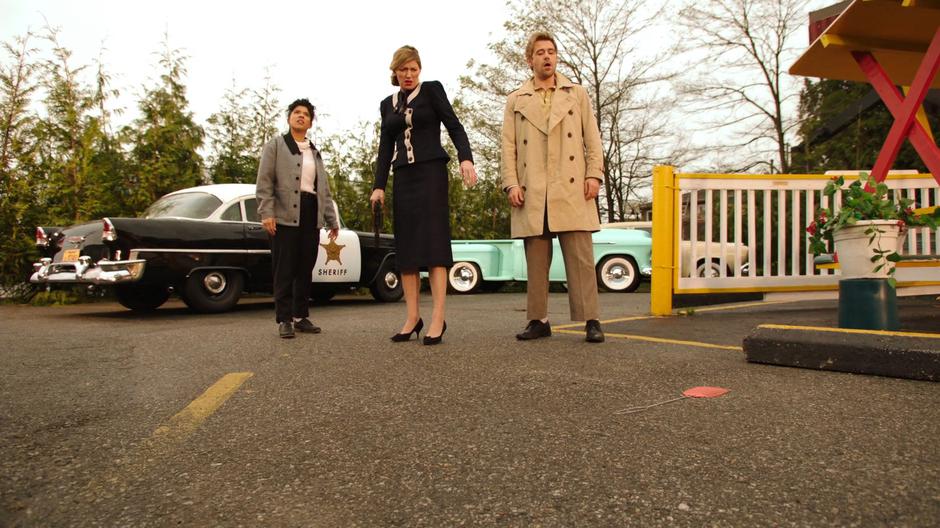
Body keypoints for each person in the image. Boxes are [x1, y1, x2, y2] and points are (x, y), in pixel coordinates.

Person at [500, 32, 605, 343]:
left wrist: (594, 175)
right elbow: (507, 146)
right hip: (533, 188)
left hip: (571, 184)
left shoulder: (577, 93)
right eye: (540, 52)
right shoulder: (516, 99)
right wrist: (511, 183)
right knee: (536, 259)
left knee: (581, 258)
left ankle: (591, 320)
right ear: (529, 59)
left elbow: (593, 139)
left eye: (552, 51)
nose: (547, 57)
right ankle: (539, 320)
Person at [370, 45, 477, 346]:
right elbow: (384, 149)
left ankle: (437, 319)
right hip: (403, 176)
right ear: (395, 71)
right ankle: (412, 317)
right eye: (403, 69)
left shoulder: (432, 91)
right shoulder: (386, 104)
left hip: (431, 174)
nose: (408, 74)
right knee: (406, 249)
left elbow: (455, 126)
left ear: (420, 70)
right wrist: (379, 185)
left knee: (433, 245)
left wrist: (465, 158)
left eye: (413, 68)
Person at [257, 98, 340, 338]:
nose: (300, 116)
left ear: (311, 122)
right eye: (296, 112)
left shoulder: (315, 152)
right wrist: (267, 213)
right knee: (285, 268)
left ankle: (300, 316)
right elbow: (264, 182)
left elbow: (323, 189)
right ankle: (284, 319)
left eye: (305, 114)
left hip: (310, 213)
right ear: (289, 118)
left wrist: (331, 220)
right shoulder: (276, 145)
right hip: (284, 216)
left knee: (305, 267)